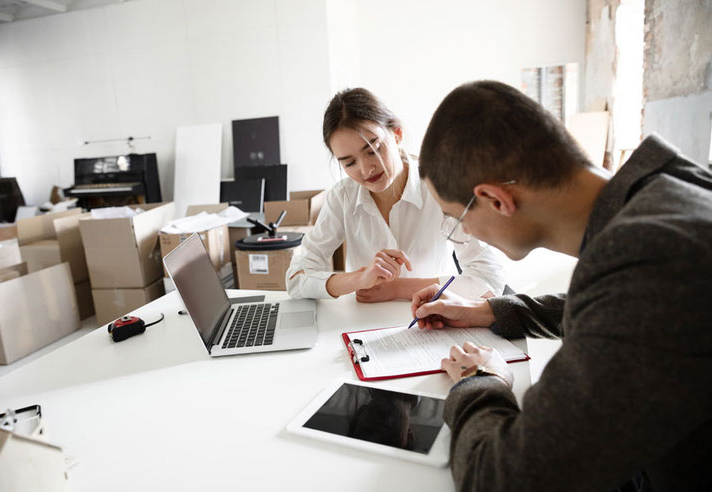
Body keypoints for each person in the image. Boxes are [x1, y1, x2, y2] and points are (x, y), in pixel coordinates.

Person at [411, 80, 712, 491]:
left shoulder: (650, 256)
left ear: (496, 199)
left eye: (456, 216)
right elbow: (620, 308)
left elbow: (502, 480)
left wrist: (479, 380)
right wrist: (492, 311)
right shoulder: (668, 192)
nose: (462, 230)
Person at [286, 88, 505, 302]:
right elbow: (296, 279)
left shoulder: (441, 186)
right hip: (362, 327)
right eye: (349, 162)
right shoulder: (342, 196)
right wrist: (358, 279)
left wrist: (399, 288)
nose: (365, 170)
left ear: (397, 134)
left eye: (373, 150)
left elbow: (489, 278)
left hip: (435, 322)